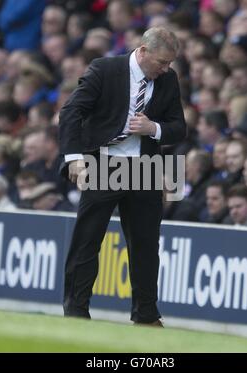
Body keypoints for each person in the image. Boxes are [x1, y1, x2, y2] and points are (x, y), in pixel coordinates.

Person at [59, 27, 187, 325]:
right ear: (142, 51)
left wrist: (152, 128)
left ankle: (146, 315)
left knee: (146, 245)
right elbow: (71, 111)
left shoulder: (169, 79)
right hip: (104, 161)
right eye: (162, 62)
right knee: (87, 239)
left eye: (170, 64)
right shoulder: (105, 69)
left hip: (145, 167)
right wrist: (74, 158)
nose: (166, 69)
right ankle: (76, 311)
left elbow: (178, 127)